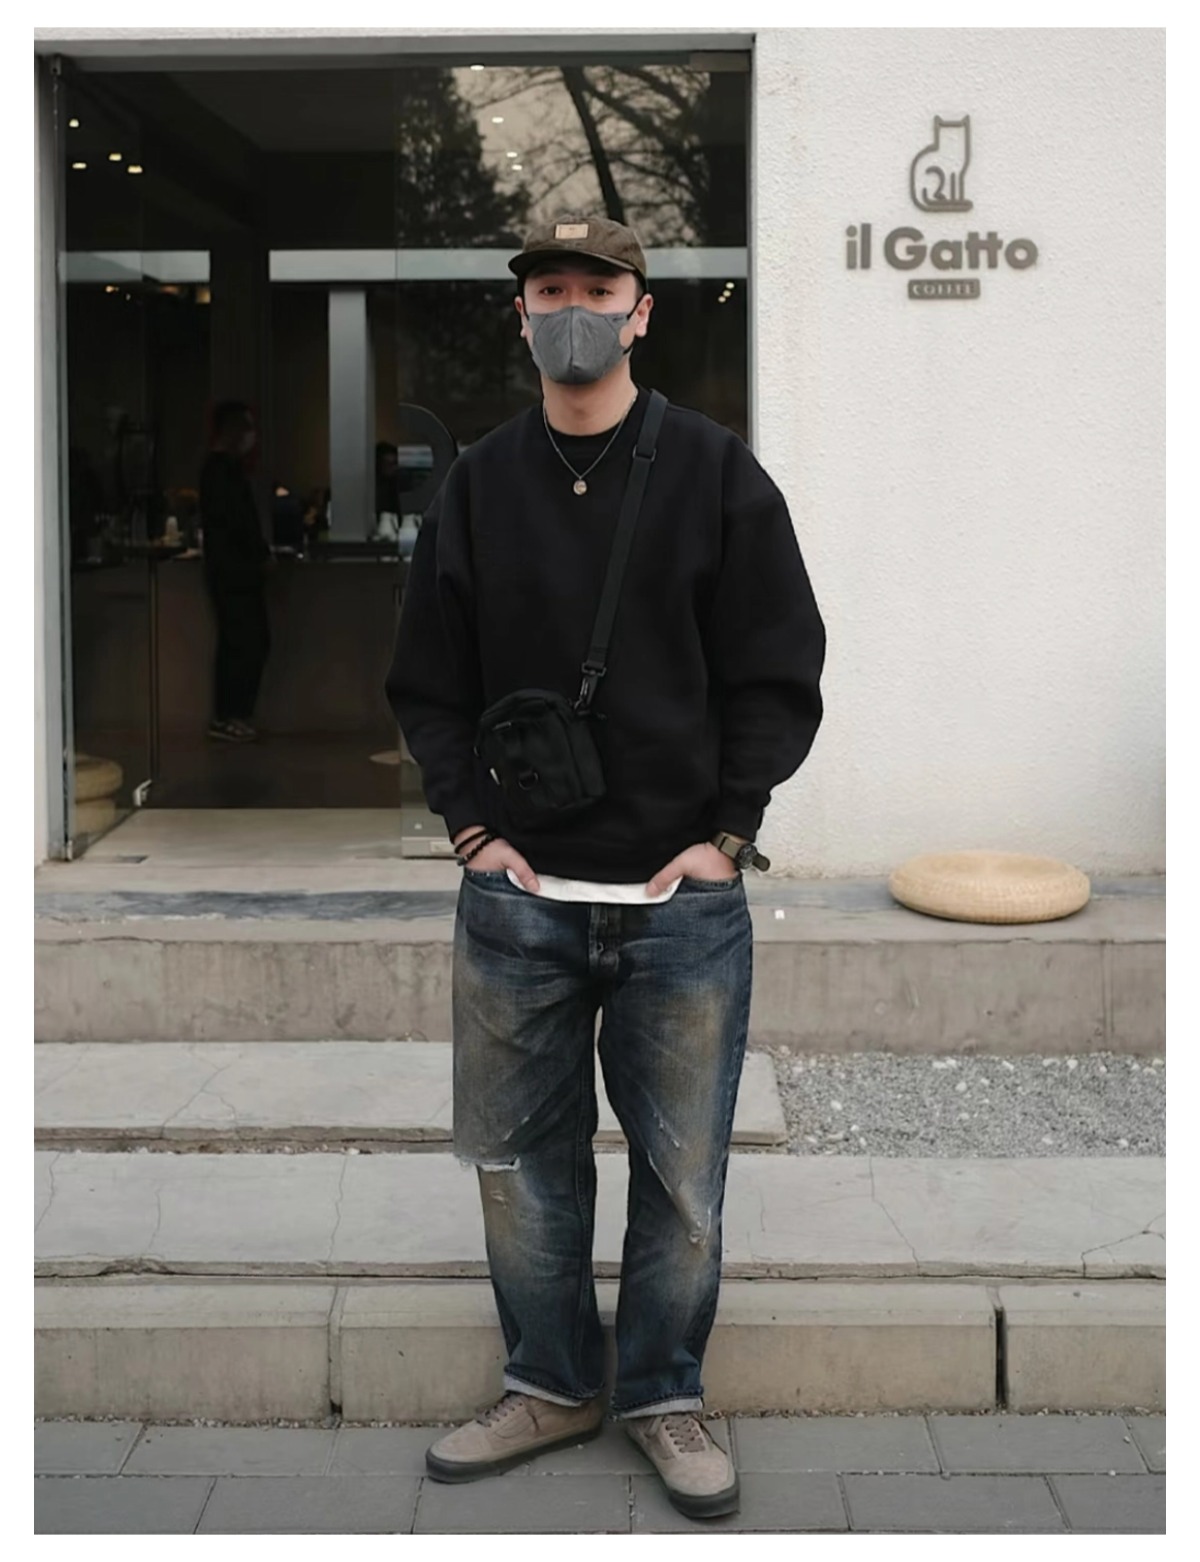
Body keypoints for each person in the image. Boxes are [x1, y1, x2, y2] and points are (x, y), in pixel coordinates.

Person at [384, 215, 826, 1521]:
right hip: (518, 901)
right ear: (520, 314)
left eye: (597, 287)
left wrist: (726, 835)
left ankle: (664, 1394)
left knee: (684, 1184)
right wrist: (473, 833)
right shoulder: (480, 484)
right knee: (520, 1170)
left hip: (677, 906)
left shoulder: (714, 472)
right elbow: (426, 678)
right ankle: (549, 1380)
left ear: (642, 311)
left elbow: (778, 666)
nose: (571, 308)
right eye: (550, 289)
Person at [198, 400, 272, 742]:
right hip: (234, 573)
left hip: (231, 571)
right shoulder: (222, 472)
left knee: (243, 643)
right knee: (243, 643)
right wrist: (259, 554)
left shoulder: (221, 471)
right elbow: (239, 523)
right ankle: (230, 714)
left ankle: (234, 713)